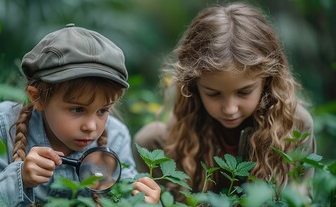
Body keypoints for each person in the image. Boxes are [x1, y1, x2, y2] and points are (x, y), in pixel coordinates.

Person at [0, 23, 161, 207]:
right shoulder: (5, 123)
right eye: (77, 109)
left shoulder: (115, 136)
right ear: (37, 98)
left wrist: (147, 205)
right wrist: (20, 177)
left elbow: (129, 204)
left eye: (102, 111)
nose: (91, 126)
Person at [134, 2, 316, 194]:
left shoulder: (294, 126)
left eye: (244, 92)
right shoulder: (174, 135)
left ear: (268, 81)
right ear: (194, 87)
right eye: (213, 94)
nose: (229, 109)